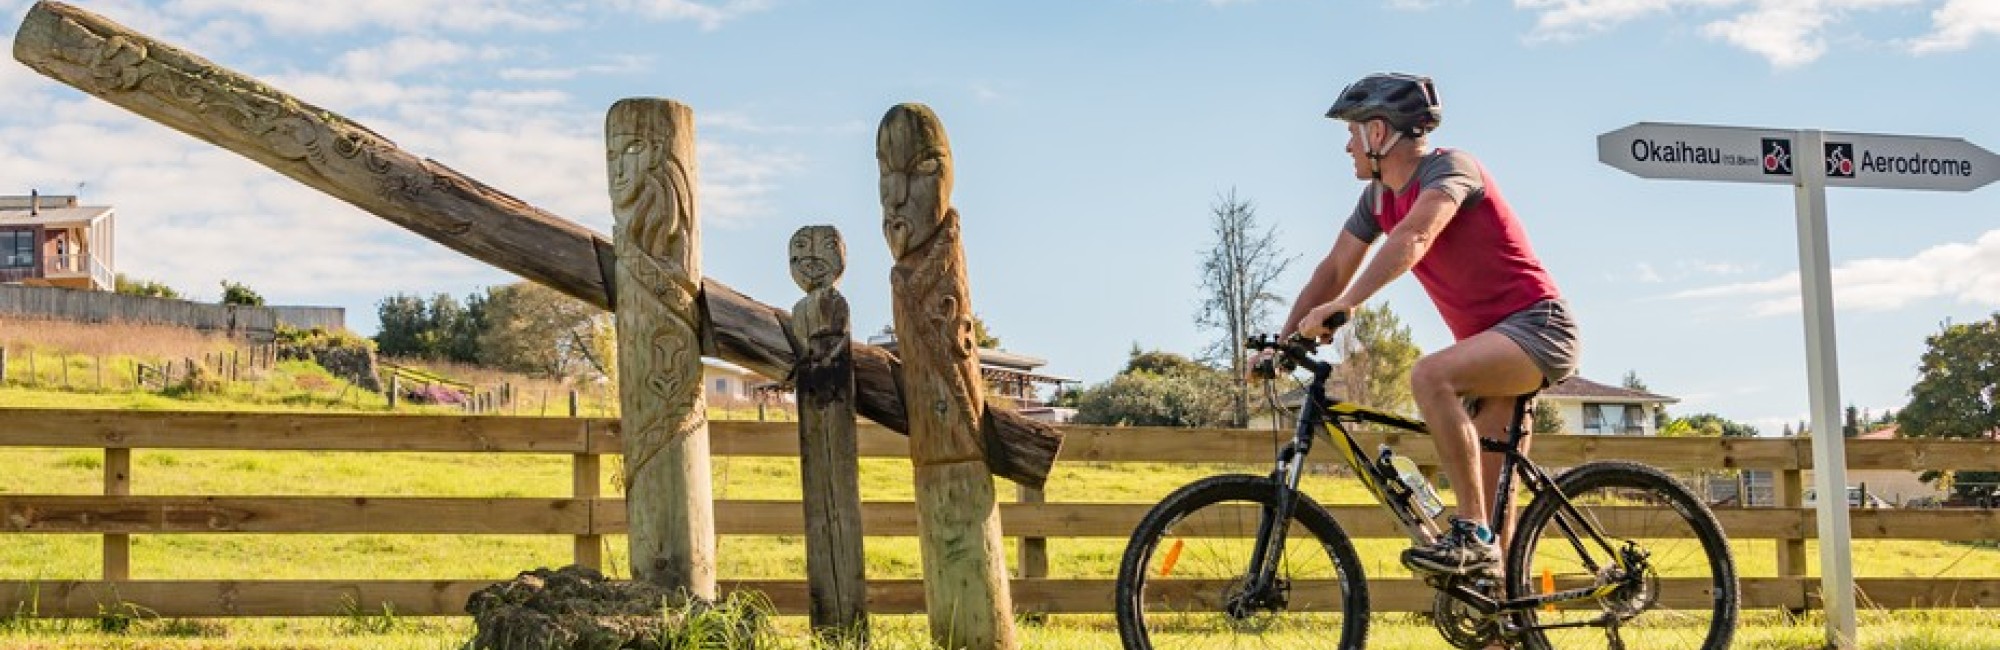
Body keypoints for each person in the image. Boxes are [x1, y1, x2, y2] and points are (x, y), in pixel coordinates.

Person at [1280, 72, 1580, 578]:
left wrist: (1349, 304)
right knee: (1491, 521)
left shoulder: (1452, 170)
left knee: (1429, 376)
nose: (1347, 145)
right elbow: (1332, 269)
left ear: (1378, 133)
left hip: (1538, 330)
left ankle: (1471, 535)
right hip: (1492, 352)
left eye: (1352, 132)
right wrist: (1283, 343)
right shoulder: (1378, 198)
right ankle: (1501, 615)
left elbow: (1417, 236)